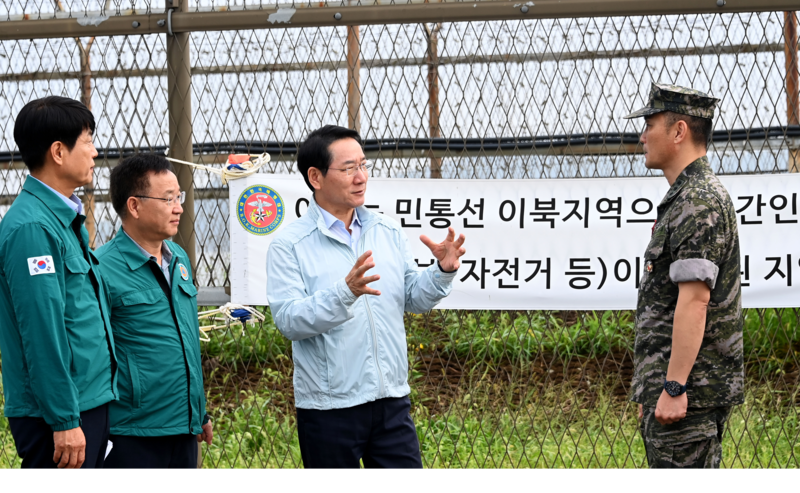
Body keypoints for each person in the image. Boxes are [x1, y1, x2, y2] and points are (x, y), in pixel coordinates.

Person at [267, 125, 466, 471]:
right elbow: (290, 321)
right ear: (315, 177)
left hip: (390, 399)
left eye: (363, 165)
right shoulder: (290, 245)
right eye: (348, 169)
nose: (361, 177)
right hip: (329, 409)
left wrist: (442, 271)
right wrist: (345, 293)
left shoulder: (385, 230)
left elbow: (414, 299)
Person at [623, 83, 743, 471]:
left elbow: (695, 301)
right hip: (679, 393)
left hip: (688, 398)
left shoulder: (697, 202)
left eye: (650, 124)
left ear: (678, 131)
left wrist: (674, 387)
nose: (642, 136)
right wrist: (655, 384)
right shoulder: (687, 197)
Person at [0, 96, 117, 471]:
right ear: (58, 152)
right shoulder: (33, 228)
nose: (95, 152)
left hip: (86, 402)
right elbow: (42, 329)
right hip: (59, 415)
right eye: (87, 141)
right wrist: (64, 419)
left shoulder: (60, 217)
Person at [95, 154, 212, 471]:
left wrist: (198, 413)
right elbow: (91, 356)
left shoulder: (179, 259)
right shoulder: (102, 269)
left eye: (179, 197)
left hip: (183, 429)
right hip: (132, 434)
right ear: (134, 206)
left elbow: (186, 340)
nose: (179, 208)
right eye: (168, 199)